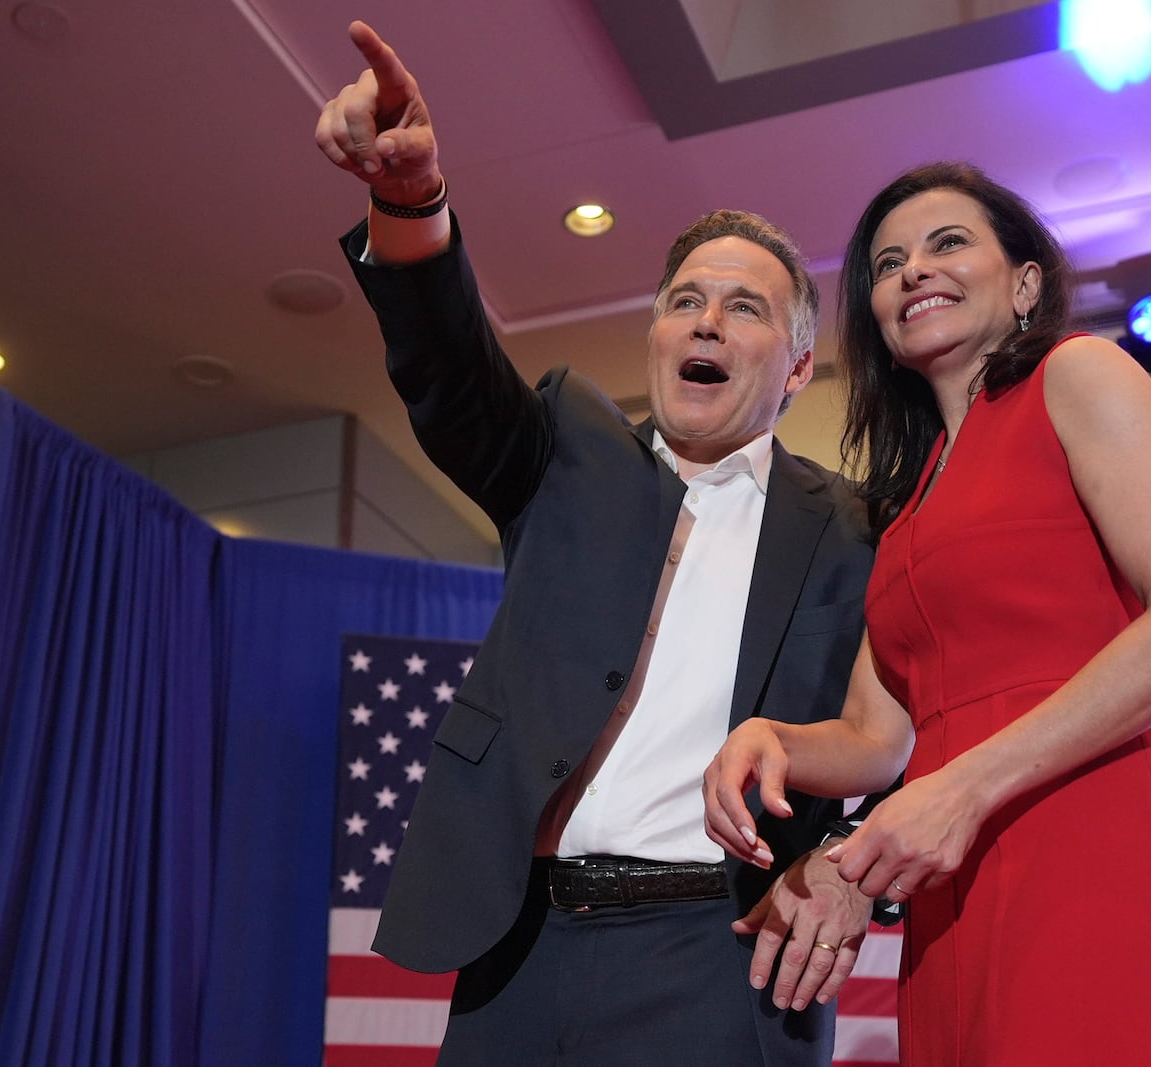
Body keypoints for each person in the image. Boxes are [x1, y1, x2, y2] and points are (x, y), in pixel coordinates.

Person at [314, 21, 882, 1066]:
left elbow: (903, 733)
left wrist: (846, 852)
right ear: (655, 336)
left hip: (725, 956)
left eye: (744, 308)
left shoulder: (856, 528)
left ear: (798, 368)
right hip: (518, 944)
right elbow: (450, 370)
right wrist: (409, 202)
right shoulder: (564, 453)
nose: (704, 322)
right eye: (683, 302)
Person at [704, 161, 1151, 1065]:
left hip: (1089, 842)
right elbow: (879, 739)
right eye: (887, 264)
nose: (913, 269)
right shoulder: (908, 500)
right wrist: (774, 739)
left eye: (946, 243)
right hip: (948, 882)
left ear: (1026, 282)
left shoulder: (1078, 375)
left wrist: (962, 788)